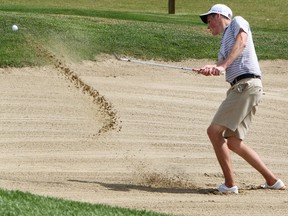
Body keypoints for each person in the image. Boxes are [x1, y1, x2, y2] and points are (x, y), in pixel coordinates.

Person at [193, 4, 285, 193]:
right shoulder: (224, 44)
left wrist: (223, 66)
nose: (208, 26)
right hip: (245, 88)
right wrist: (210, 68)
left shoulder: (237, 22)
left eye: (209, 21)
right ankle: (272, 181)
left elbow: (242, 41)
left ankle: (229, 184)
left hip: (246, 86)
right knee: (234, 142)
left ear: (218, 16)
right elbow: (220, 65)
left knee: (214, 131)